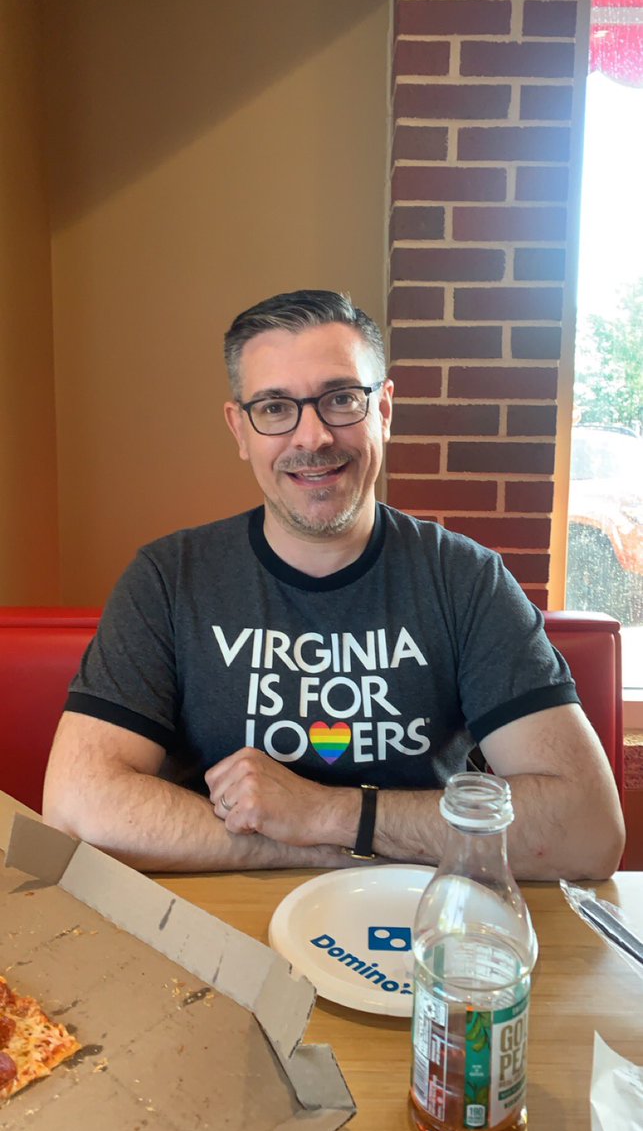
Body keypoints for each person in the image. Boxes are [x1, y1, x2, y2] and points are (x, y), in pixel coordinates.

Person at [42, 289, 625, 879]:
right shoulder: (168, 579)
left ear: (384, 410)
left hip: (416, 914)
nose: (313, 437)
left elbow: (589, 830)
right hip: (218, 917)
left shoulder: (465, 579)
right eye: (275, 407)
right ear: (240, 429)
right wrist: (317, 850)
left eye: (342, 399)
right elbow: (74, 806)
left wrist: (325, 812)